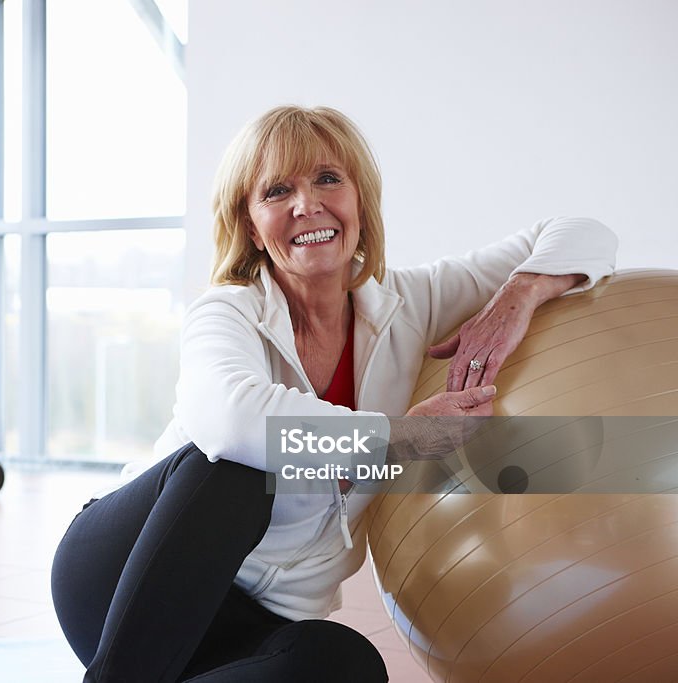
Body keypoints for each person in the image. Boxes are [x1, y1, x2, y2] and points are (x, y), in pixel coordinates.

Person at [51, 105, 618, 682]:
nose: (307, 205)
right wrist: (400, 439)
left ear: (360, 201)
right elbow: (228, 424)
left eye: (327, 179)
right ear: (251, 225)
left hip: (257, 616)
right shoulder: (228, 310)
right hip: (120, 577)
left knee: (347, 665)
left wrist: (515, 298)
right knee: (237, 470)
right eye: (277, 191)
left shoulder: (413, 303)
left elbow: (582, 233)